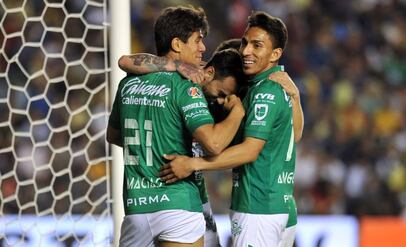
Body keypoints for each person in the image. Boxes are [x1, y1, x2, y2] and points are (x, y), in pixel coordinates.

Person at [106, 6, 245, 247]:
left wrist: (160, 138)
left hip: (136, 207)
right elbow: (213, 143)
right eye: (197, 41)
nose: (203, 48)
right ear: (177, 44)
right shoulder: (186, 86)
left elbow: (114, 135)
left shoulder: (128, 82)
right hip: (177, 204)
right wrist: (237, 114)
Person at [159, 11, 298, 246]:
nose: (222, 101)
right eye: (245, 43)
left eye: (256, 45)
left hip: (258, 206)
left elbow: (235, 148)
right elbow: (126, 61)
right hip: (267, 205)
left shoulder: (259, 93)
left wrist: (295, 96)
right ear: (209, 71)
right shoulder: (189, 81)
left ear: (275, 54)